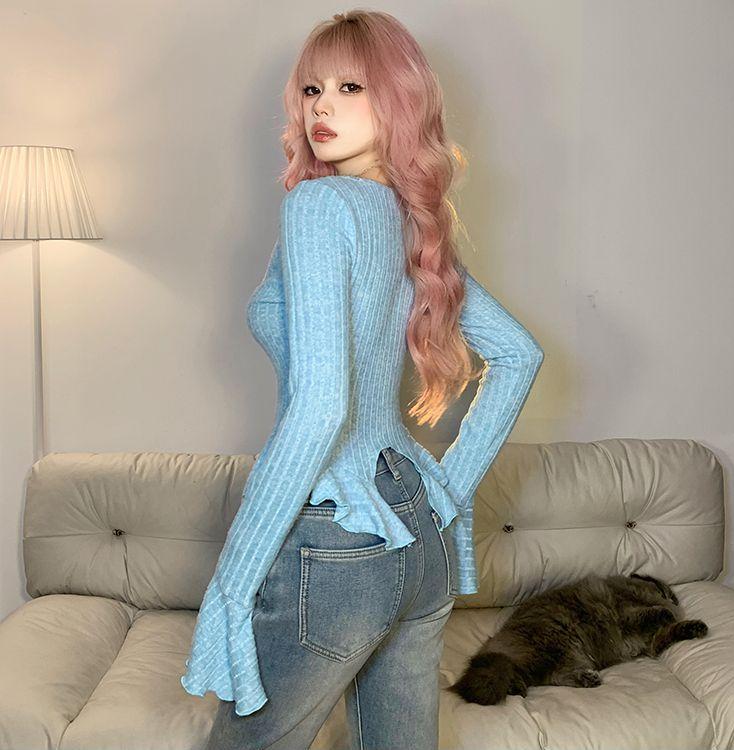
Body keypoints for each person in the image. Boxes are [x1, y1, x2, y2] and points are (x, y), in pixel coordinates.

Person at [181, 9, 544, 750]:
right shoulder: (410, 225)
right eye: (312, 88)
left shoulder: (319, 208)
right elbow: (520, 355)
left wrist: (232, 584)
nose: (323, 106)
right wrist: (444, 492)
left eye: (352, 87)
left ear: (401, 99)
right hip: (417, 533)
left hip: (340, 540)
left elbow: (321, 408)